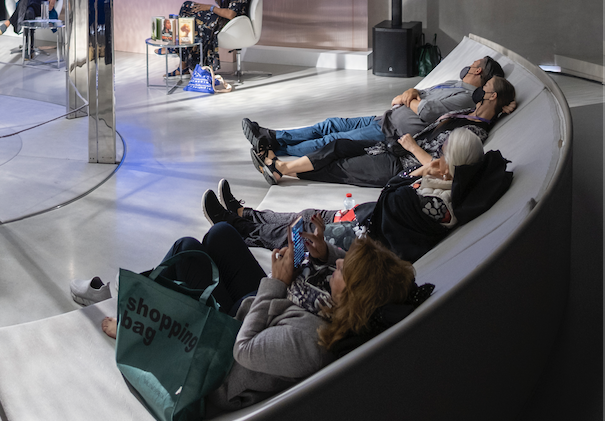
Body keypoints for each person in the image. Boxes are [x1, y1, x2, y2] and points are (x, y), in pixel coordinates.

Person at [93, 225, 422, 412]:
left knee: (187, 250)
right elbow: (348, 276)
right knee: (221, 234)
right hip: (266, 313)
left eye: (342, 270)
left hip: (227, 351)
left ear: (350, 296)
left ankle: (133, 315)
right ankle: (134, 291)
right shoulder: (337, 307)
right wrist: (324, 253)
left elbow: (243, 349)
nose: (338, 264)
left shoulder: (307, 343)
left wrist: (277, 283)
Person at [205, 127, 504, 262]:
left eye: (443, 155)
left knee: (296, 232)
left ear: (452, 166)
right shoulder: (448, 186)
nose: (437, 157)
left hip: (364, 241)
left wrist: (419, 171)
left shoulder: (438, 204)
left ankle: (234, 225)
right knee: (307, 215)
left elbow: (391, 192)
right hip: (367, 219)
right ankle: (244, 214)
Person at [253, 77, 517, 188]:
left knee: (339, 166)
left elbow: (443, 168)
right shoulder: (467, 114)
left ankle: (280, 168)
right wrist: (502, 110)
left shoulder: (474, 132)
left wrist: (413, 147)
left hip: (401, 165)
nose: (481, 88)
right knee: (338, 145)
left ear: (492, 95)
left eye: (487, 87)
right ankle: (279, 163)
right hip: (395, 146)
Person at [242, 56, 503, 160]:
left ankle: (277, 149)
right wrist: (411, 95)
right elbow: (419, 95)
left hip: (393, 130)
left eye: (475, 62)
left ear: (478, 70)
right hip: (386, 117)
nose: (470, 63)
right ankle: (273, 136)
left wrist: (410, 97)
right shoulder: (453, 83)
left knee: (333, 139)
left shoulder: (465, 97)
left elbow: (426, 111)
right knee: (330, 125)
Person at [173, 0, 253, 87]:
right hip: (225, 20)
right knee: (187, 7)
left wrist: (209, 7)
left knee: (189, 10)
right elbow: (227, 7)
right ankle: (183, 58)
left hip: (230, 24)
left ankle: (181, 56)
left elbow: (231, 14)